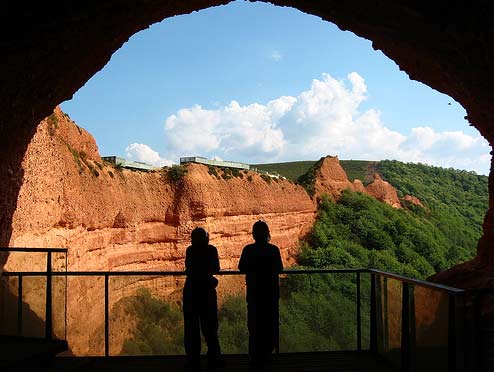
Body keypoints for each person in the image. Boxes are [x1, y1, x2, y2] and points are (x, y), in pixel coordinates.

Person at [238, 220, 283, 367]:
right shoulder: (273, 250)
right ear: (267, 233)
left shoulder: (248, 250)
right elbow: (279, 268)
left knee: (254, 325)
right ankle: (268, 355)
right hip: (270, 293)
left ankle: (255, 356)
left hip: (254, 293)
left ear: (254, 234)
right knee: (270, 324)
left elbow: (241, 267)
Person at [183, 227, 223, 370]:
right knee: (210, 327)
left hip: (191, 292)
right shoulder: (211, 250)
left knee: (191, 327)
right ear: (206, 239)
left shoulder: (190, 250)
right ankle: (214, 358)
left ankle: (193, 359)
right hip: (207, 292)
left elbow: (188, 269)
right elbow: (216, 269)